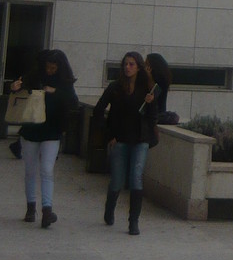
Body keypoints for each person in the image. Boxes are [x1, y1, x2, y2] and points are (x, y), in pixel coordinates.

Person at [10, 49, 78, 229]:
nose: (50, 70)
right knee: (30, 170)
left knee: (47, 169)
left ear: (60, 67)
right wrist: (14, 86)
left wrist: (55, 91)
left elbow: (73, 101)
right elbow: (18, 86)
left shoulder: (64, 82)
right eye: (48, 67)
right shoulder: (34, 76)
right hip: (32, 129)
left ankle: (47, 210)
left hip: (52, 131)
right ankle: (31, 207)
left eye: (53, 68)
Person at [94, 50, 158, 236]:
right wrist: (109, 135)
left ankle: (133, 221)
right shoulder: (115, 87)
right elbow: (98, 111)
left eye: (131, 64)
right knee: (117, 180)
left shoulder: (147, 89)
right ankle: (109, 209)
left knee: (136, 177)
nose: (128, 67)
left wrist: (151, 103)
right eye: (126, 64)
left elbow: (153, 117)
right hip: (119, 139)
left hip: (140, 140)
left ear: (138, 67)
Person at [144, 53, 173, 119]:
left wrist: (150, 78)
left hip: (158, 113)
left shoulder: (162, 81)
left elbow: (155, 94)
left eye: (147, 65)